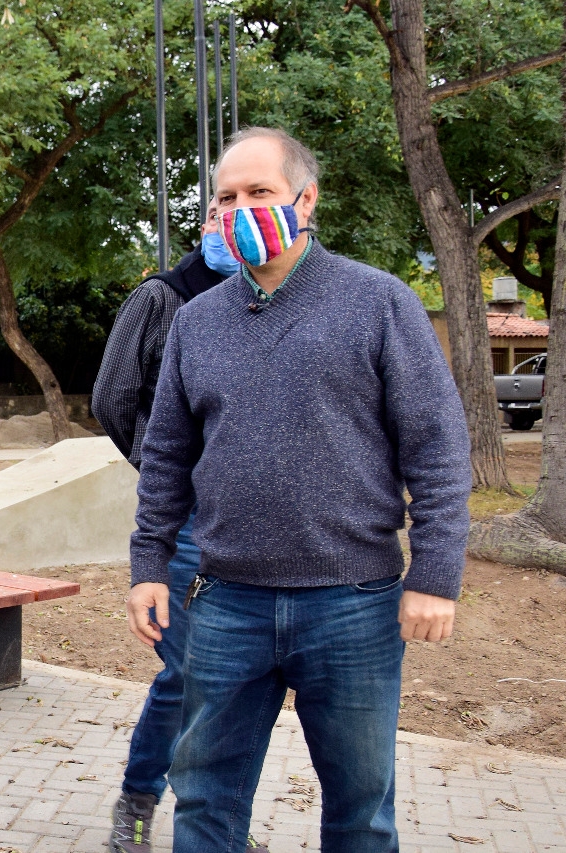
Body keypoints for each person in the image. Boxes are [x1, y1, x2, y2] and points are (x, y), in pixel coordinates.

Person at [127, 126, 471, 852]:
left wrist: (436, 575)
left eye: (260, 192)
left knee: (360, 811)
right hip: (226, 603)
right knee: (205, 803)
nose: (241, 209)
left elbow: (437, 447)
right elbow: (165, 456)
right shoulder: (196, 321)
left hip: (353, 604)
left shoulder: (379, 302)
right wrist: (148, 564)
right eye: (227, 198)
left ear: (306, 200)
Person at [93, 207, 260, 853]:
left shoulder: (270, 300)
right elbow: (112, 395)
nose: (228, 222)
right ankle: (138, 801)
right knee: (190, 671)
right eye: (218, 210)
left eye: (241, 211)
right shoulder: (161, 296)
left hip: (258, 526)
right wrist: (167, 467)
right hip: (188, 518)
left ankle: (218, 821)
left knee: (238, 676)